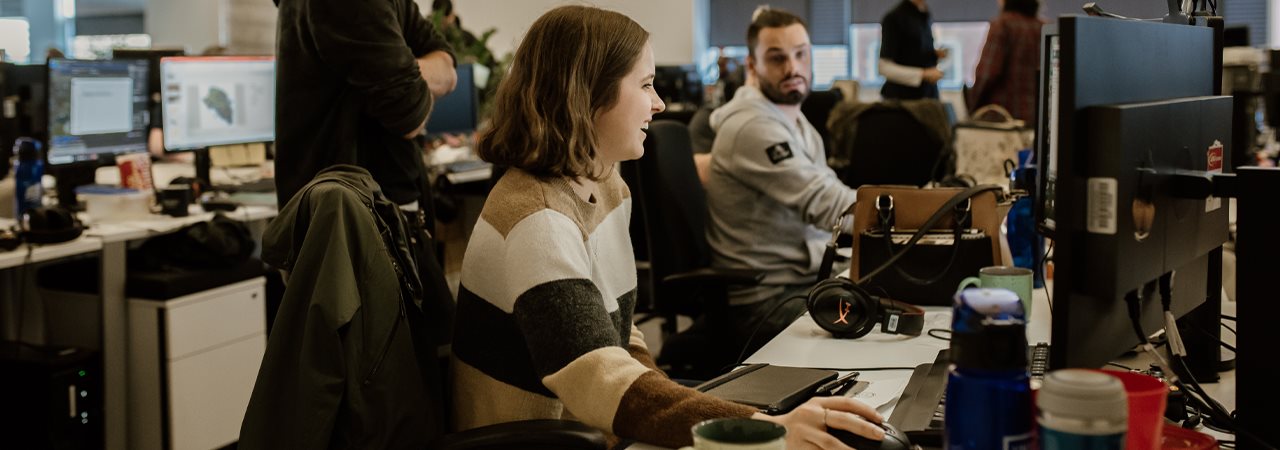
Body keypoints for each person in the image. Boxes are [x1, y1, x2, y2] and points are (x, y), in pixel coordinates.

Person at [450, 6, 885, 449]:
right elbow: (597, 377)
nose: (658, 103)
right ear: (588, 94)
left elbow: (621, 336)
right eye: (645, 85)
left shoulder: (606, 184)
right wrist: (763, 429)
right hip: (548, 439)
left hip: (597, 424)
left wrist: (677, 403)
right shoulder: (536, 219)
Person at [271, 0, 458, 432]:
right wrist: (417, 73)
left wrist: (412, 67)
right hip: (363, 226)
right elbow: (410, 111)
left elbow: (444, 59)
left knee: (429, 383)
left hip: (388, 215)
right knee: (393, 410)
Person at [702, 6, 859, 361]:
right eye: (777, 59)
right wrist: (914, 214)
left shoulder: (799, 125)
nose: (793, 68)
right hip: (764, 304)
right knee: (869, 328)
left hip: (803, 283)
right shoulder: (753, 127)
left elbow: (833, 198)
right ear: (753, 68)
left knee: (890, 306)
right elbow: (830, 208)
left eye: (801, 54)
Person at [969, 0, 1046, 122]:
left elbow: (986, 74)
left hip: (1004, 120)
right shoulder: (1045, 27)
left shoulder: (1002, 25)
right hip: (1038, 119)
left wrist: (972, 108)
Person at [878, 0, 947, 100]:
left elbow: (912, 51)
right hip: (903, 100)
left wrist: (933, 53)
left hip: (928, 95)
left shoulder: (924, 15)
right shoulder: (894, 18)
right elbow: (884, 67)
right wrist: (923, 74)